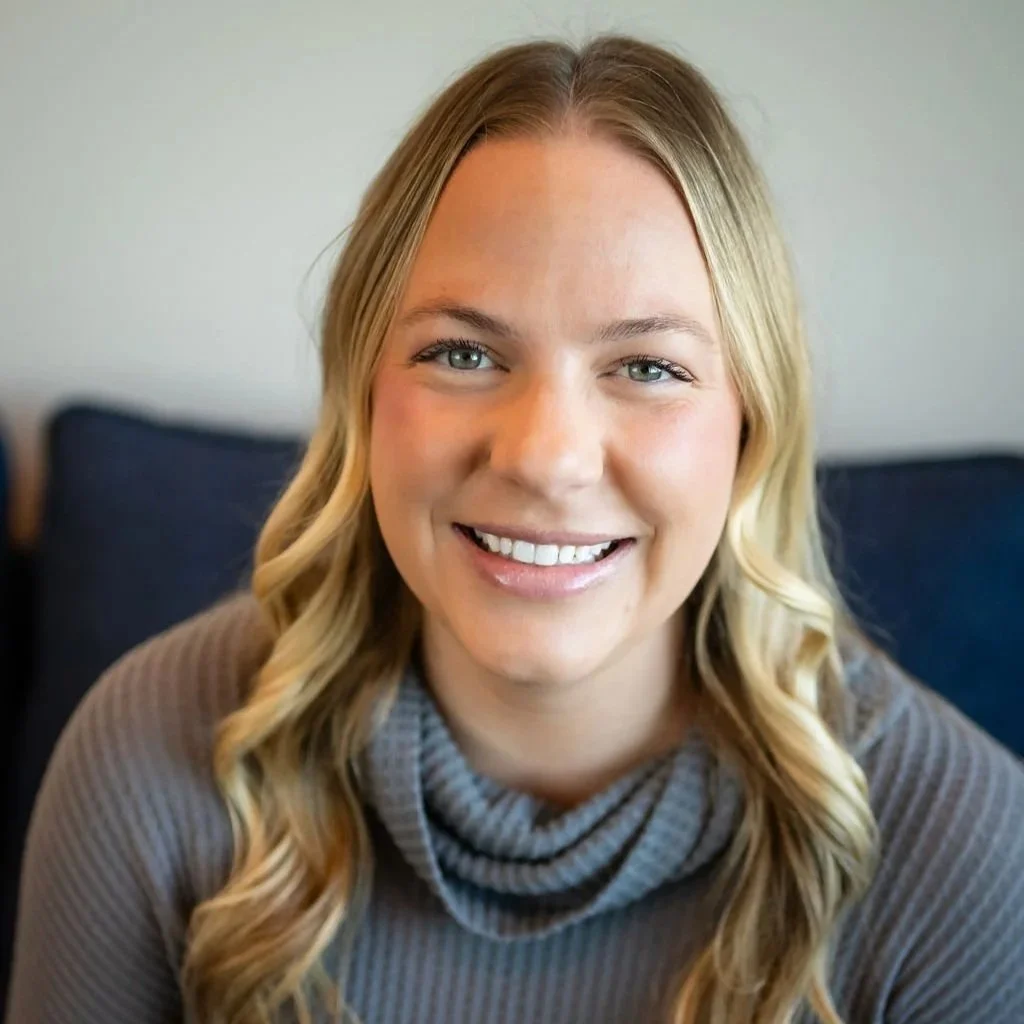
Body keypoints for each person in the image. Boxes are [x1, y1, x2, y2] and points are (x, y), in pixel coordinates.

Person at [5, 33, 1023, 1024]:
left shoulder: (964, 851)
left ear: (750, 423)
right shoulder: (145, 760)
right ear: (361, 392)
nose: (544, 454)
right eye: (461, 353)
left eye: (647, 367)